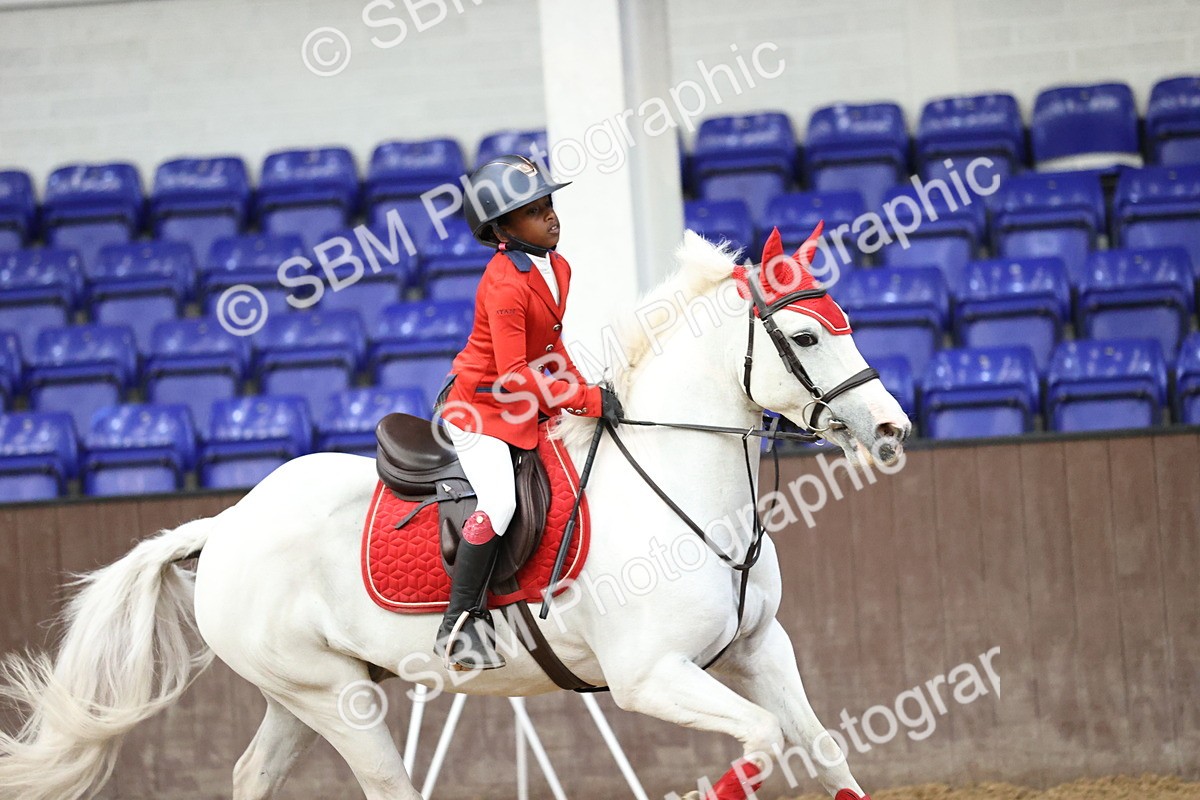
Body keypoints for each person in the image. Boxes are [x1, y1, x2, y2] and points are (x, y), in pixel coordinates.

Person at [432, 154, 623, 670]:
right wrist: (583, 401)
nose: (550, 216)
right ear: (503, 229)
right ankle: (458, 623)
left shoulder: (558, 267)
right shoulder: (504, 282)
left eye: (548, 204)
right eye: (534, 212)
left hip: (523, 403)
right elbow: (516, 373)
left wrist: (587, 390)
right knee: (499, 503)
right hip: (480, 411)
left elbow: (551, 353)